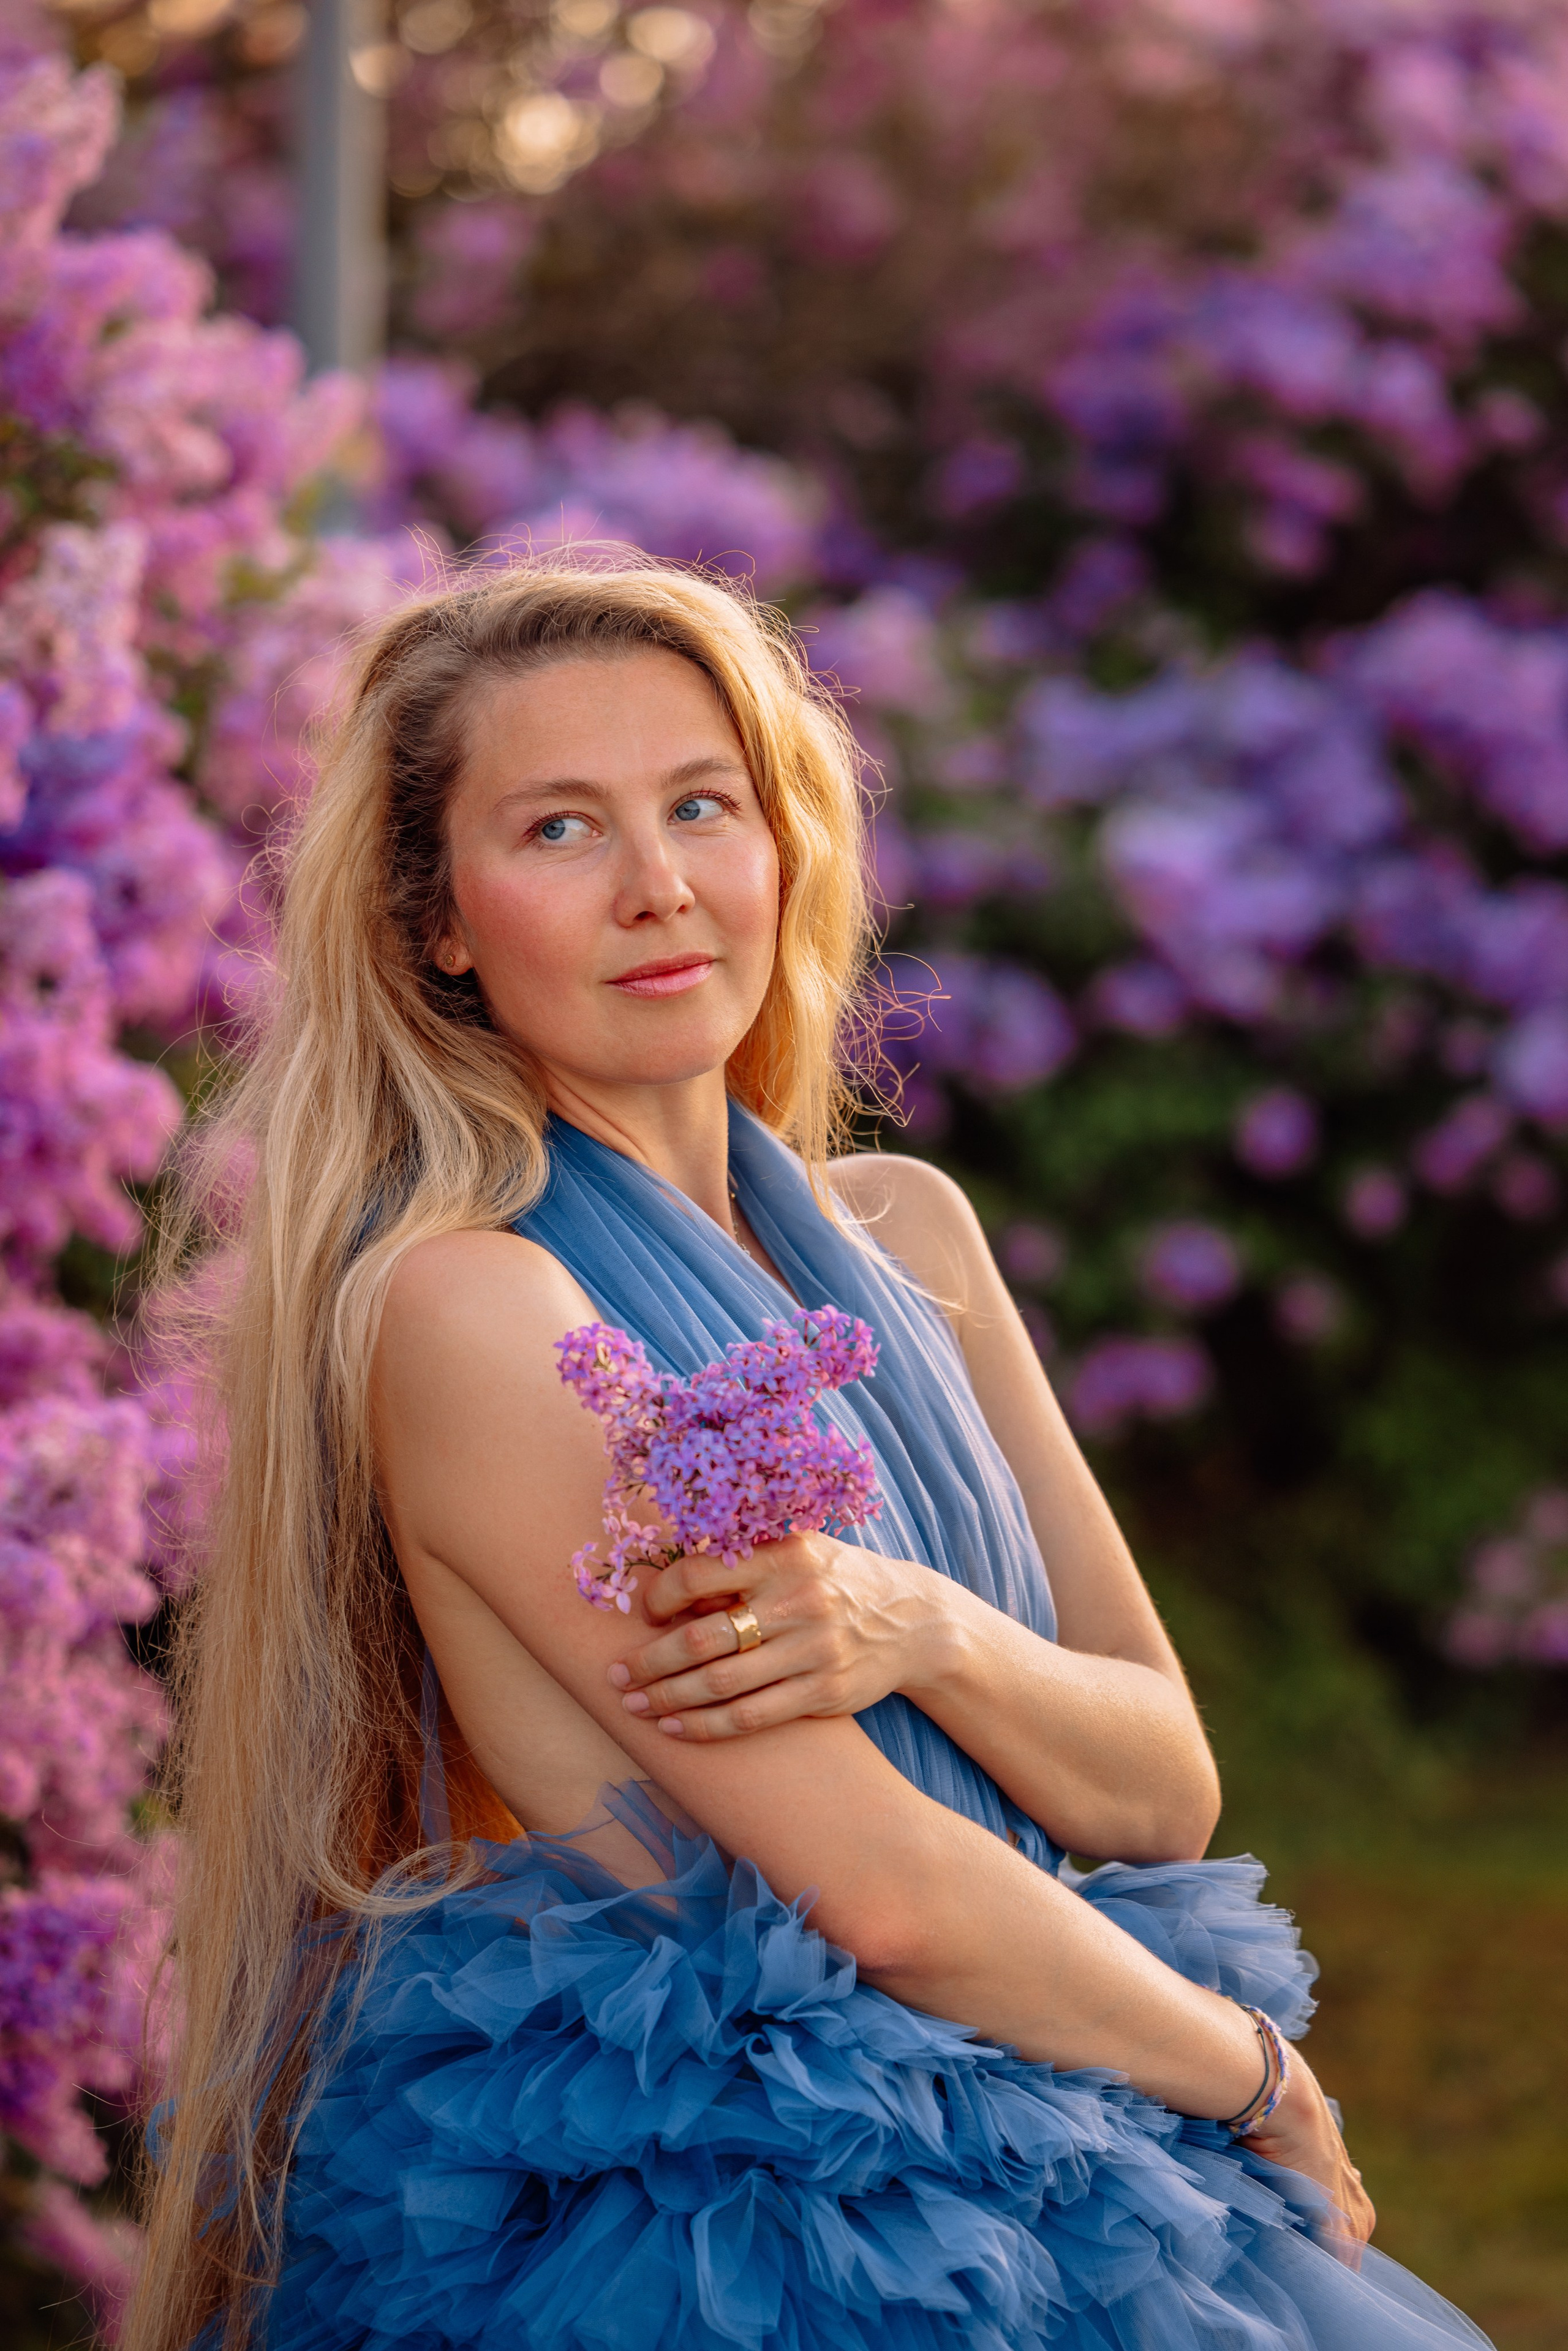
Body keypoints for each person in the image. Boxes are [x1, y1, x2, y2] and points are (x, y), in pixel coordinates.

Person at [128, 559, 1493, 2351]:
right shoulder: (475, 1310)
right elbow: (885, 1893)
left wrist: (919, 1625)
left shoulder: (908, 1238)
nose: (659, 887)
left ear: (785, 844)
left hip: (1054, 2108)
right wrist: (1249, 2076)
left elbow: (1161, 1791)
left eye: (704, 805)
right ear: (437, 924)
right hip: (762, 2217)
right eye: (559, 830)